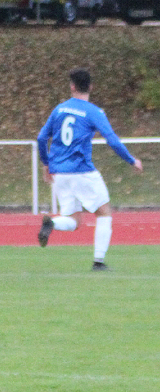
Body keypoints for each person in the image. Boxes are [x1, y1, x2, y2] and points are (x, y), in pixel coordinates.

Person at [37, 68, 142, 270]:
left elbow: (42, 138)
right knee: (104, 212)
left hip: (59, 173)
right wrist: (131, 160)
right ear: (91, 87)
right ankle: (98, 262)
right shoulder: (93, 112)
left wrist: (46, 163)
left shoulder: (59, 110)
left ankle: (52, 223)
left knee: (74, 221)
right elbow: (112, 140)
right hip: (82, 170)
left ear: (72, 86)